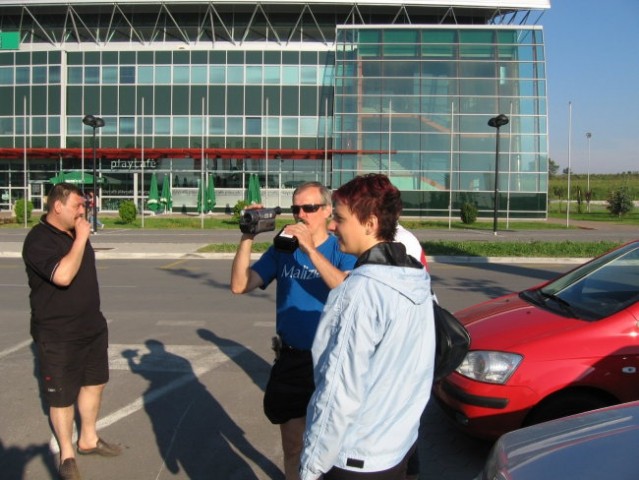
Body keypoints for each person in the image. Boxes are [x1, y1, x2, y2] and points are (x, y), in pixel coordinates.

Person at [300, 173, 436, 480]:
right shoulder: (415, 278)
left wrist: (311, 466)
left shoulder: (359, 292)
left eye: (340, 218)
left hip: (357, 457)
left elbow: (338, 391)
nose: (332, 226)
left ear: (370, 223)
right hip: (399, 445)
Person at [230, 181, 357, 479]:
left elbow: (347, 289)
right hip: (293, 358)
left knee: (334, 446)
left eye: (309, 208)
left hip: (331, 360)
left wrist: (310, 249)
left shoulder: (342, 248)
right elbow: (239, 285)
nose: (301, 215)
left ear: (327, 211)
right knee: (293, 445)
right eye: (296, 208)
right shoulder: (283, 250)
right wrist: (247, 238)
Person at [22, 183, 121, 480]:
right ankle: (67, 454)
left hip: (91, 326)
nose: (83, 211)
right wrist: (81, 238)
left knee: (95, 383)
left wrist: (78, 237)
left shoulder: (73, 233)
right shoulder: (38, 240)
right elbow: (63, 276)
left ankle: (88, 438)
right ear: (57, 206)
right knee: (61, 397)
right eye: (78, 206)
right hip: (57, 333)